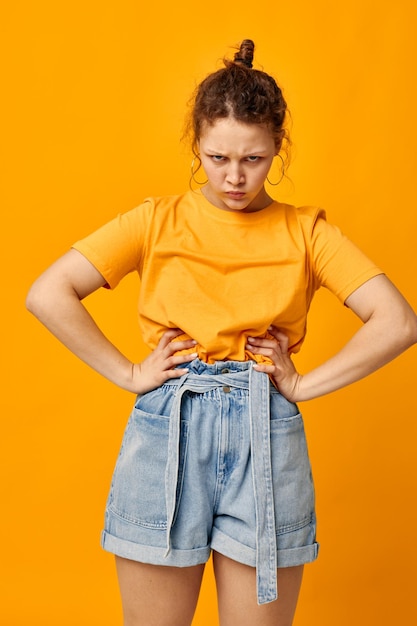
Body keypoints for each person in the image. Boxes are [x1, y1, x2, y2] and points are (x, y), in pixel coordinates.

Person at [26, 39, 417, 626]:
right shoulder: (155, 221)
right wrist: (129, 373)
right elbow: (47, 293)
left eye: (254, 160)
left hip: (266, 429)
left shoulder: (305, 232)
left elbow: (398, 320)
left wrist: (303, 385)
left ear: (277, 148)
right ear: (197, 145)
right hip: (169, 431)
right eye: (217, 158)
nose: (235, 177)